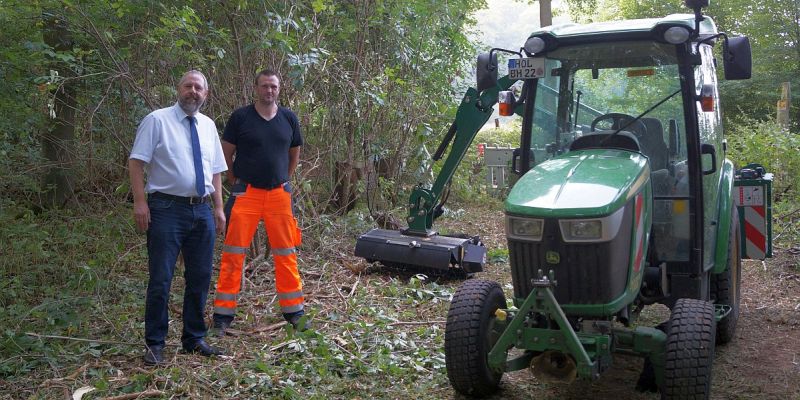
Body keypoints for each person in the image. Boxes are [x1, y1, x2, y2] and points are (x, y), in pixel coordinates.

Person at [129, 70, 228, 366]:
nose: (193, 91)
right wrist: (140, 203)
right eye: (188, 86)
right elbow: (136, 162)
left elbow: (215, 172)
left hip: (201, 211)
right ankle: (155, 343)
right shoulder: (157, 120)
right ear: (178, 89)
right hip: (166, 209)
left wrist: (219, 208)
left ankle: (193, 338)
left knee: (199, 276)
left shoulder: (209, 126)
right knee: (161, 277)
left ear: (205, 94)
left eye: (199, 87)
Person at [212, 69, 307, 334]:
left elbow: (294, 154)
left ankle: (294, 313)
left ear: (279, 88)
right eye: (264, 86)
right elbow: (225, 154)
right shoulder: (241, 117)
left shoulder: (288, 118)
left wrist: (282, 180)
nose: (269, 91)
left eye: (273, 86)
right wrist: (234, 179)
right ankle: (222, 315)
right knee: (233, 254)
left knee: (286, 254)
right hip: (246, 194)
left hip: (279, 195)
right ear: (256, 88)